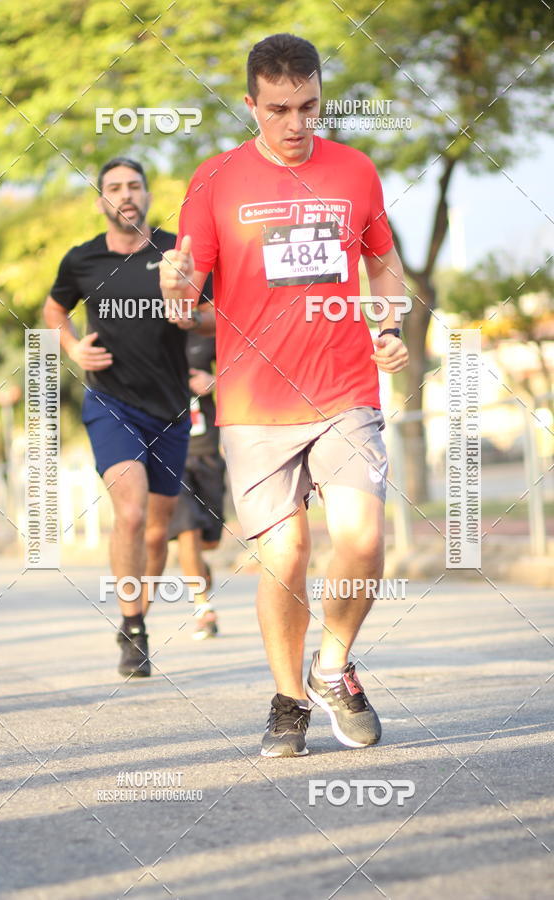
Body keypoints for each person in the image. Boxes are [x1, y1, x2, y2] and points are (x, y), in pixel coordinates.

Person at [161, 33, 409, 757]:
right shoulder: (215, 182)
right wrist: (175, 283)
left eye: (308, 106)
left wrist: (388, 323)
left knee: (363, 541)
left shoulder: (355, 170)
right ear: (251, 105)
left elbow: (384, 265)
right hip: (255, 402)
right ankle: (287, 699)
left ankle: (333, 667)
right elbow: (185, 298)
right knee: (286, 554)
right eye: (279, 109)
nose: (296, 124)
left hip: (344, 388)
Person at [43, 157, 214, 678]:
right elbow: (53, 311)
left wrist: (188, 311)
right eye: (114, 187)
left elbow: (214, 318)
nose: (126, 195)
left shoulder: (175, 252)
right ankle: (132, 625)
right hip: (109, 402)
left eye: (134, 186)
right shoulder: (82, 260)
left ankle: (138, 614)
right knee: (133, 513)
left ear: (146, 195)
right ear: (102, 201)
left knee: (157, 530)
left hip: (170, 409)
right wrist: (72, 347)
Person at [167, 331, 226, 640]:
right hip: (172, 451)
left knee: (210, 540)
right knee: (187, 529)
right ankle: (203, 608)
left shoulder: (207, 330)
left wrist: (214, 381)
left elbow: (244, 370)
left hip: (208, 450)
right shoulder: (152, 333)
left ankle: (198, 569)